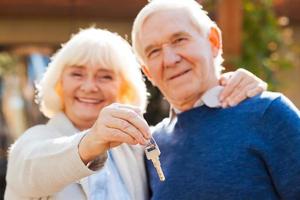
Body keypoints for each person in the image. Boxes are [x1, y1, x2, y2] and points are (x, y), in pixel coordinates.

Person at [5, 27, 266, 199]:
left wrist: (225, 86)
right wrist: (92, 141)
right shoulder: (34, 143)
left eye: (105, 76)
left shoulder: (137, 147)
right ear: (59, 83)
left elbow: (187, 133)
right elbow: (31, 167)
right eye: (77, 74)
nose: (89, 86)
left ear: (124, 88)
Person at [131, 0, 300, 199]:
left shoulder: (268, 113)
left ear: (213, 41)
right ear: (148, 72)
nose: (169, 59)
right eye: (154, 51)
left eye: (179, 40)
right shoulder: (154, 145)